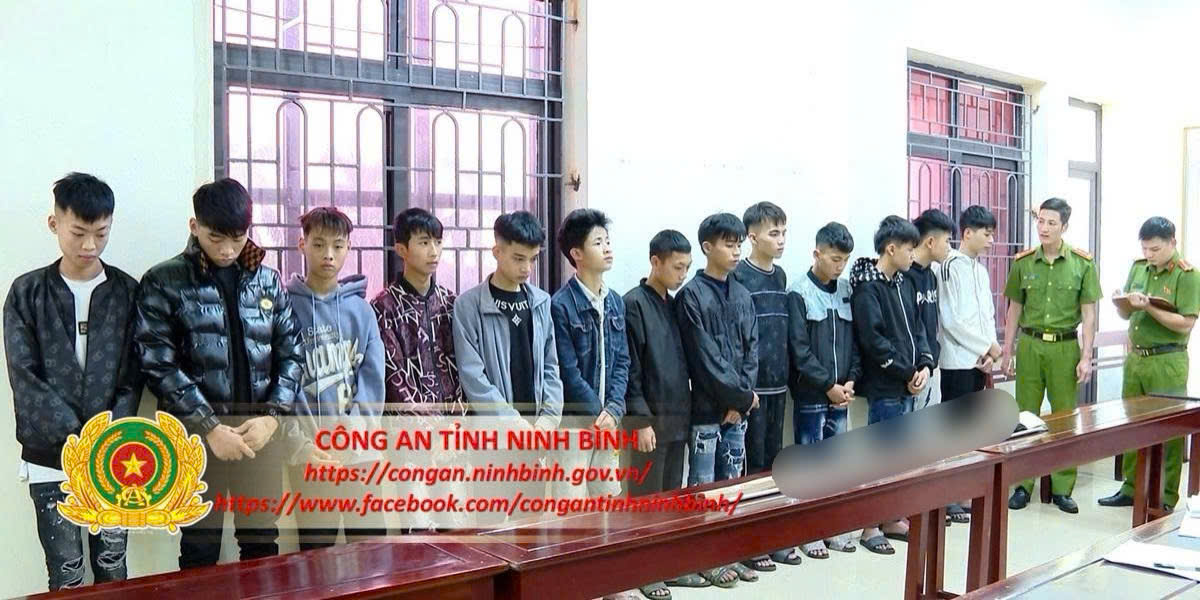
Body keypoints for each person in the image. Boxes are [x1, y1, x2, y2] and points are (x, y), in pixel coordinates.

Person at [134, 178, 306, 568]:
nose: (228, 250)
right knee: (199, 546)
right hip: (196, 440)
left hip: (259, 435)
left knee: (262, 541)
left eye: (238, 238)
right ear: (194, 226)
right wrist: (209, 427)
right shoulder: (163, 281)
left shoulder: (268, 280)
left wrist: (272, 418)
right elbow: (156, 363)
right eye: (216, 238)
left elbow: (292, 353)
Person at [4, 173, 141, 590]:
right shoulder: (27, 292)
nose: (89, 246)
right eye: (79, 233)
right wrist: (77, 436)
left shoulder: (127, 292)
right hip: (49, 457)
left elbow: (133, 374)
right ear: (54, 224)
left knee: (113, 567)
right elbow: (23, 375)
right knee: (65, 572)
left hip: (114, 457)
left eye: (101, 233)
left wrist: (105, 435)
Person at [453, 211, 563, 525]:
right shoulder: (469, 305)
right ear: (497, 251)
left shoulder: (541, 302)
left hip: (534, 439)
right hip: (493, 442)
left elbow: (551, 367)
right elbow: (473, 376)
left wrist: (548, 421)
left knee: (531, 526)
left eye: (532, 259)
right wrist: (514, 424)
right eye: (518, 258)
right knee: (490, 529)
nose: (527, 268)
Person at [285, 206, 386, 549]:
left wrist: (350, 435)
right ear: (302, 245)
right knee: (316, 555)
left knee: (371, 554)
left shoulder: (362, 311)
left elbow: (373, 381)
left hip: (361, 453)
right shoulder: (285, 308)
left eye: (338, 246)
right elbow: (281, 384)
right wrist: (302, 446)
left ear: (348, 248)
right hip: (311, 457)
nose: (328, 254)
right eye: (319, 244)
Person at [1001, 198, 1101, 514]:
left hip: (1064, 348)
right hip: (1030, 345)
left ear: (1064, 227)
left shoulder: (1082, 264)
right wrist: (1007, 349)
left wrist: (1086, 356)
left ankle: (1061, 487)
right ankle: (1022, 484)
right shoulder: (1023, 263)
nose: (1043, 228)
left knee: (1063, 418)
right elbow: (1014, 309)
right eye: (1040, 221)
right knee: (1025, 416)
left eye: (1051, 223)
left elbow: (1089, 315)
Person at [677, 212, 760, 587]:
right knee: (703, 487)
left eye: (739, 243)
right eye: (729, 244)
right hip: (706, 412)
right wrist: (738, 397)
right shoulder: (691, 296)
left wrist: (740, 401)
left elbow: (751, 351)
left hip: (737, 412)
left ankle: (727, 553)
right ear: (707, 247)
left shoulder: (742, 294)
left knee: (732, 485)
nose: (736, 251)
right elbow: (703, 358)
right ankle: (700, 557)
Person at [1099, 217, 1198, 513]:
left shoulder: (1187, 275)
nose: (1149, 255)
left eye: (1155, 249)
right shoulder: (1139, 267)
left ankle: (1166, 495)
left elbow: (1185, 323)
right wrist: (1122, 302)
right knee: (1132, 425)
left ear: (1172, 243)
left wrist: (1149, 307)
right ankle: (1131, 487)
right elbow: (1127, 315)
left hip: (1167, 360)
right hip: (1136, 360)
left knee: (1170, 428)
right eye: (1145, 249)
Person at [624, 230, 702, 599]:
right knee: (646, 499)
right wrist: (641, 421)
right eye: (677, 267)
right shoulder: (633, 304)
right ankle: (644, 570)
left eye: (687, 268)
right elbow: (631, 371)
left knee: (672, 496)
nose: (682, 275)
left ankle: (669, 566)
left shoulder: (675, 304)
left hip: (677, 416)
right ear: (655, 262)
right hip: (649, 422)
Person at [850, 215, 935, 555]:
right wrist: (906, 373)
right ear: (891, 249)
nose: (913, 255)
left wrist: (924, 365)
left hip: (908, 383)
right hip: (886, 386)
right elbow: (874, 341)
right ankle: (870, 525)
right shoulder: (868, 288)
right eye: (909, 249)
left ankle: (891, 517)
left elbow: (919, 328)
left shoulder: (904, 283)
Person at [787, 221, 861, 556]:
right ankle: (808, 530)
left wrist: (851, 380)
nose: (839, 266)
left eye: (844, 260)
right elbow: (799, 350)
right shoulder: (798, 292)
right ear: (816, 254)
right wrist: (828, 385)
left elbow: (856, 342)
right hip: (812, 394)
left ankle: (832, 527)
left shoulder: (846, 290)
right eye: (834, 259)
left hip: (842, 394)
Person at [730, 202, 795, 570]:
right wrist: (743, 389)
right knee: (751, 468)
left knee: (775, 466)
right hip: (752, 392)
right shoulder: (739, 277)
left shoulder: (781, 276)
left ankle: (772, 537)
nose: (781, 239)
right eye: (774, 233)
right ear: (752, 237)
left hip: (779, 387)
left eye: (784, 232)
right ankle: (750, 543)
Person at [550, 209, 629, 500]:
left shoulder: (615, 301)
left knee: (607, 499)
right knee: (570, 505)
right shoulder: (560, 305)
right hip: (575, 425)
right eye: (598, 242)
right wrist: (599, 415)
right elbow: (567, 371)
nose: (607, 248)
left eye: (607, 241)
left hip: (608, 421)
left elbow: (623, 361)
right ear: (577, 253)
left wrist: (614, 410)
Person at [937, 206, 1001, 524]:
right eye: (986, 234)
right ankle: (948, 497)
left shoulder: (981, 270)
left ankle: (964, 493)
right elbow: (951, 321)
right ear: (967, 233)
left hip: (979, 362)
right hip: (957, 362)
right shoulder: (949, 266)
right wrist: (984, 346)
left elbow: (987, 316)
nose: (991, 240)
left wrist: (992, 351)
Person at [371, 207, 466, 418]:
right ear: (401, 249)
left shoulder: (451, 302)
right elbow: (393, 376)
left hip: (457, 427)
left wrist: (459, 421)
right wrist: (431, 427)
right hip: (408, 429)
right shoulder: (383, 307)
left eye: (438, 242)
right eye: (424, 243)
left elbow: (465, 365)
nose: (434, 251)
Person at [910, 209, 955, 409]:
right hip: (911, 374)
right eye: (947, 241)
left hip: (929, 368)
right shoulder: (904, 276)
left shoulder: (930, 275)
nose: (949, 248)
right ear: (930, 242)